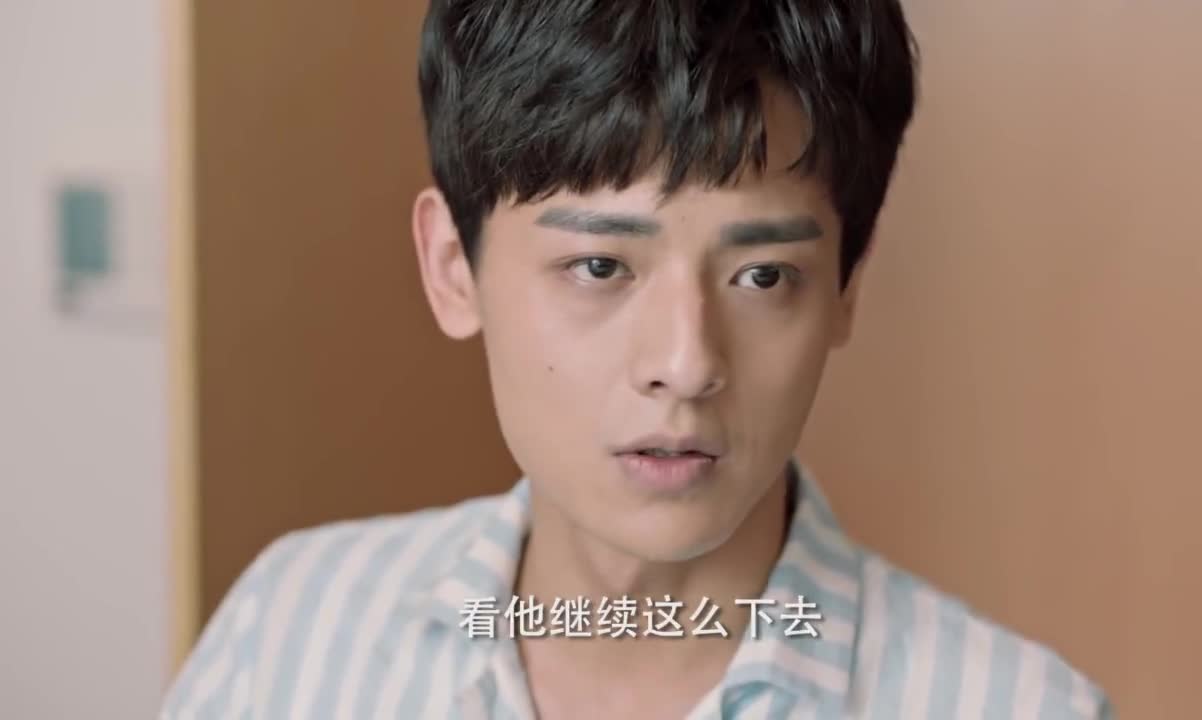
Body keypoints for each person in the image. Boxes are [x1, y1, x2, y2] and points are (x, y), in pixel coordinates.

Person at [162, 1, 1112, 718]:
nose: (685, 363)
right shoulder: (292, 628)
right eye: (600, 266)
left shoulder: (1018, 706)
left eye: (763, 276)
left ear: (845, 289)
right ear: (453, 267)